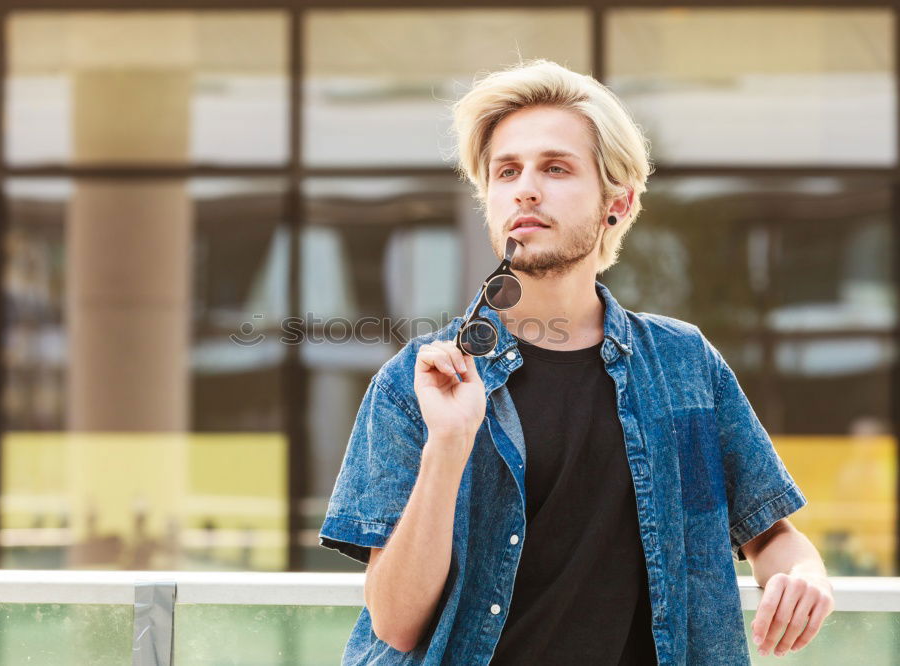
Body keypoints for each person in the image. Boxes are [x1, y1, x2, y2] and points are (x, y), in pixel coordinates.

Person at [318, 59, 834, 665]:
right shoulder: (421, 381)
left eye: (556, 168)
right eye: (506, 171)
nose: (525, 188)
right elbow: (397, 623)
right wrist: (449, 445)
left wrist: (804, 575)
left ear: (618, 201)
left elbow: (771, 533)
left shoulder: (683, 364)